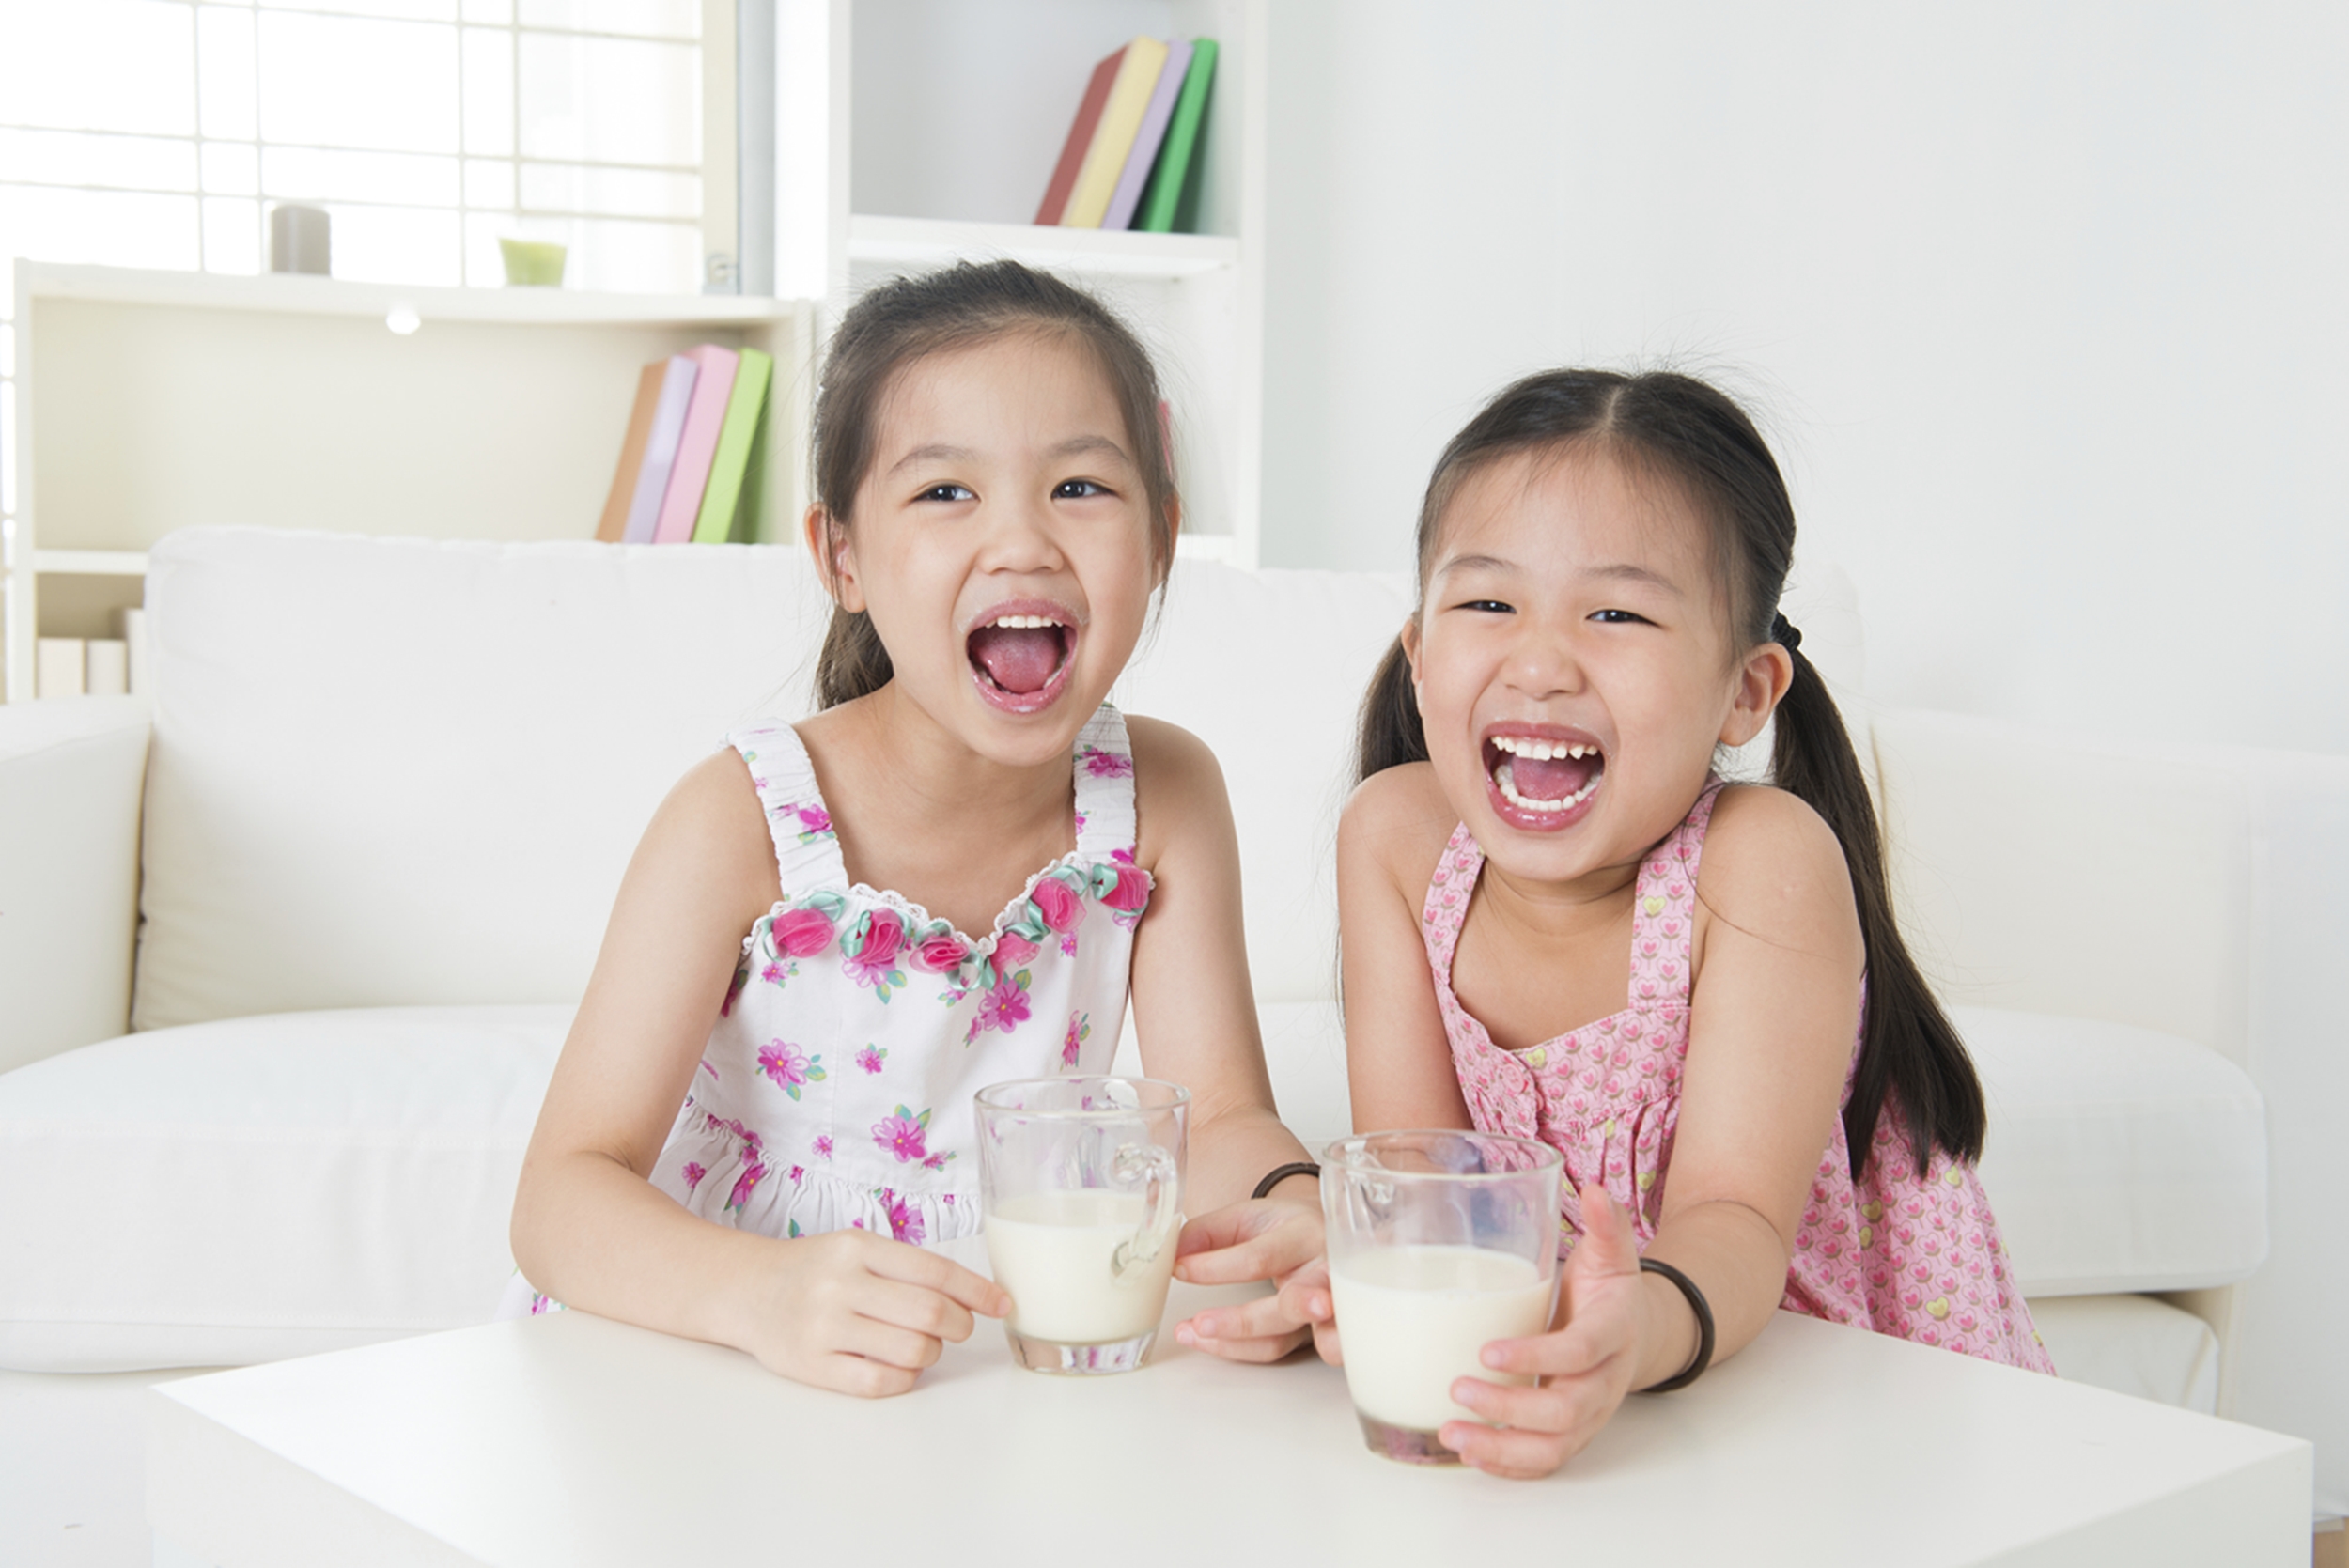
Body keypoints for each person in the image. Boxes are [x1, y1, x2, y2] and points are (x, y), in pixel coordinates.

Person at [508, 260, 1321, 1395]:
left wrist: (1309, 1212)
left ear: (1163, 542)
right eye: (946, 492)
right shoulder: (740, 819)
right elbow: (560, 1194)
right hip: (717, 1346)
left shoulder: (1163, 794)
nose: (1024, 541)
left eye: (1080, 486)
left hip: (990, 1352)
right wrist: (761, 1296)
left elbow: (1226, 1115)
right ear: (841, 553)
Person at [1330, 368, 2051, 1477]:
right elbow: (1424, 1190)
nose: (1539, 659)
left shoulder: (1758, 862)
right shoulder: (1393, 836)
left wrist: (1631, 1333)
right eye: (1486, 602)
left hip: (1791, 1367)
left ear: (1746, 691)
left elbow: (1735, 1224)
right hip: (1560, 1368)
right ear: (1421, 652)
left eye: (1615, 612)